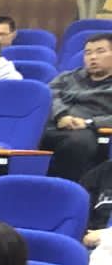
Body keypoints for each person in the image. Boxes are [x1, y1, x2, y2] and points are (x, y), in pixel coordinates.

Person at [40, 32, 112, 180]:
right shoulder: (68, 77)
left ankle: (65, 188)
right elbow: (49, 94)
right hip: (55, 124)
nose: (92, 57)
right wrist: (61, 115)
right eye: (88, 53)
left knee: (78, 143)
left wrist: (88, 123)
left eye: (100, 51)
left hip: (90, 131)